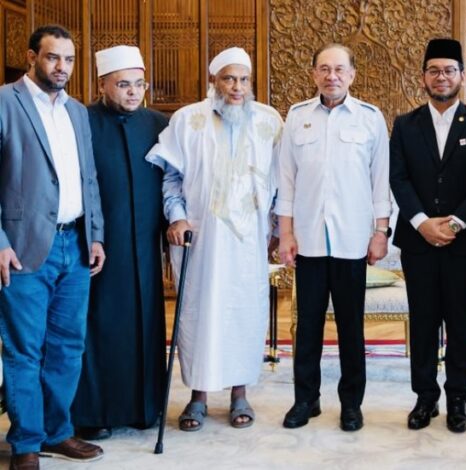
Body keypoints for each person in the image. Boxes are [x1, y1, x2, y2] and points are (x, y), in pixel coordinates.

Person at [146, 47, 283, 432]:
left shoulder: (270, 121)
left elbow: (281, 181)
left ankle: (240, 393)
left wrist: (276, 229)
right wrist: (177, 216)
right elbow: (172, 178)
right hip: (201, 239)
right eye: (228, 79)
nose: (237, 87)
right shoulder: (187, 119)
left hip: (249, 241)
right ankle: (198, 397)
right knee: (199, 313)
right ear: (213, 81)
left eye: (243, 79)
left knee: (244, 311)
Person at [0, 24, 106, 469]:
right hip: (22, 247)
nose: (62, 67)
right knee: (24, 349)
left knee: (67, 346)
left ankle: (57, 432)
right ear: (31, 57)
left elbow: (88, 177)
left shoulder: (76, 111)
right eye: (52, 57)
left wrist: (95, 234)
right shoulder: (5, 102)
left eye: (69, 59)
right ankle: (26, 443)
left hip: (75, 245)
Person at [277, 43, 391, 432]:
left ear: (352, 75)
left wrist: (380, 232)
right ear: (314, 74)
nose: (332, 76)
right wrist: (285, 233)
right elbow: (286, 180)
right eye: (324, 69)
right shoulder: (297, 117)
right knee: (307, 326)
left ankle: (351, 404)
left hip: (352, 240)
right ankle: (305, 400)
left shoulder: (370, 119)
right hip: (308, 239)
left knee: (350, 328)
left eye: (339, 69)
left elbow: (380, 182)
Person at [389, 38, 466, 433]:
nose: (442, 77)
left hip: (464, 242)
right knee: (422, 320)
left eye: (449, 70)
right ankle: (425, 397)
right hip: (417, 241)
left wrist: (454, 224)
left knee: (461, 319)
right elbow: (398, 179)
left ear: (462, 76)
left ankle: (458, 397)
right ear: (423, 77)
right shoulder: (405, 124)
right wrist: (423, 222)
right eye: (434, 70)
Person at [71, 45, 169, 441]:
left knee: (145, 322)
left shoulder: (159, 124)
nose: (133, 92)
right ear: (102, 85)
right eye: (123, 84)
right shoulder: (82, 120)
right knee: (98, 325)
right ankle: (94, 413)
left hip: (145, 244)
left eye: (139, 84)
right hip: (97, 244)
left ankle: (144, 408)